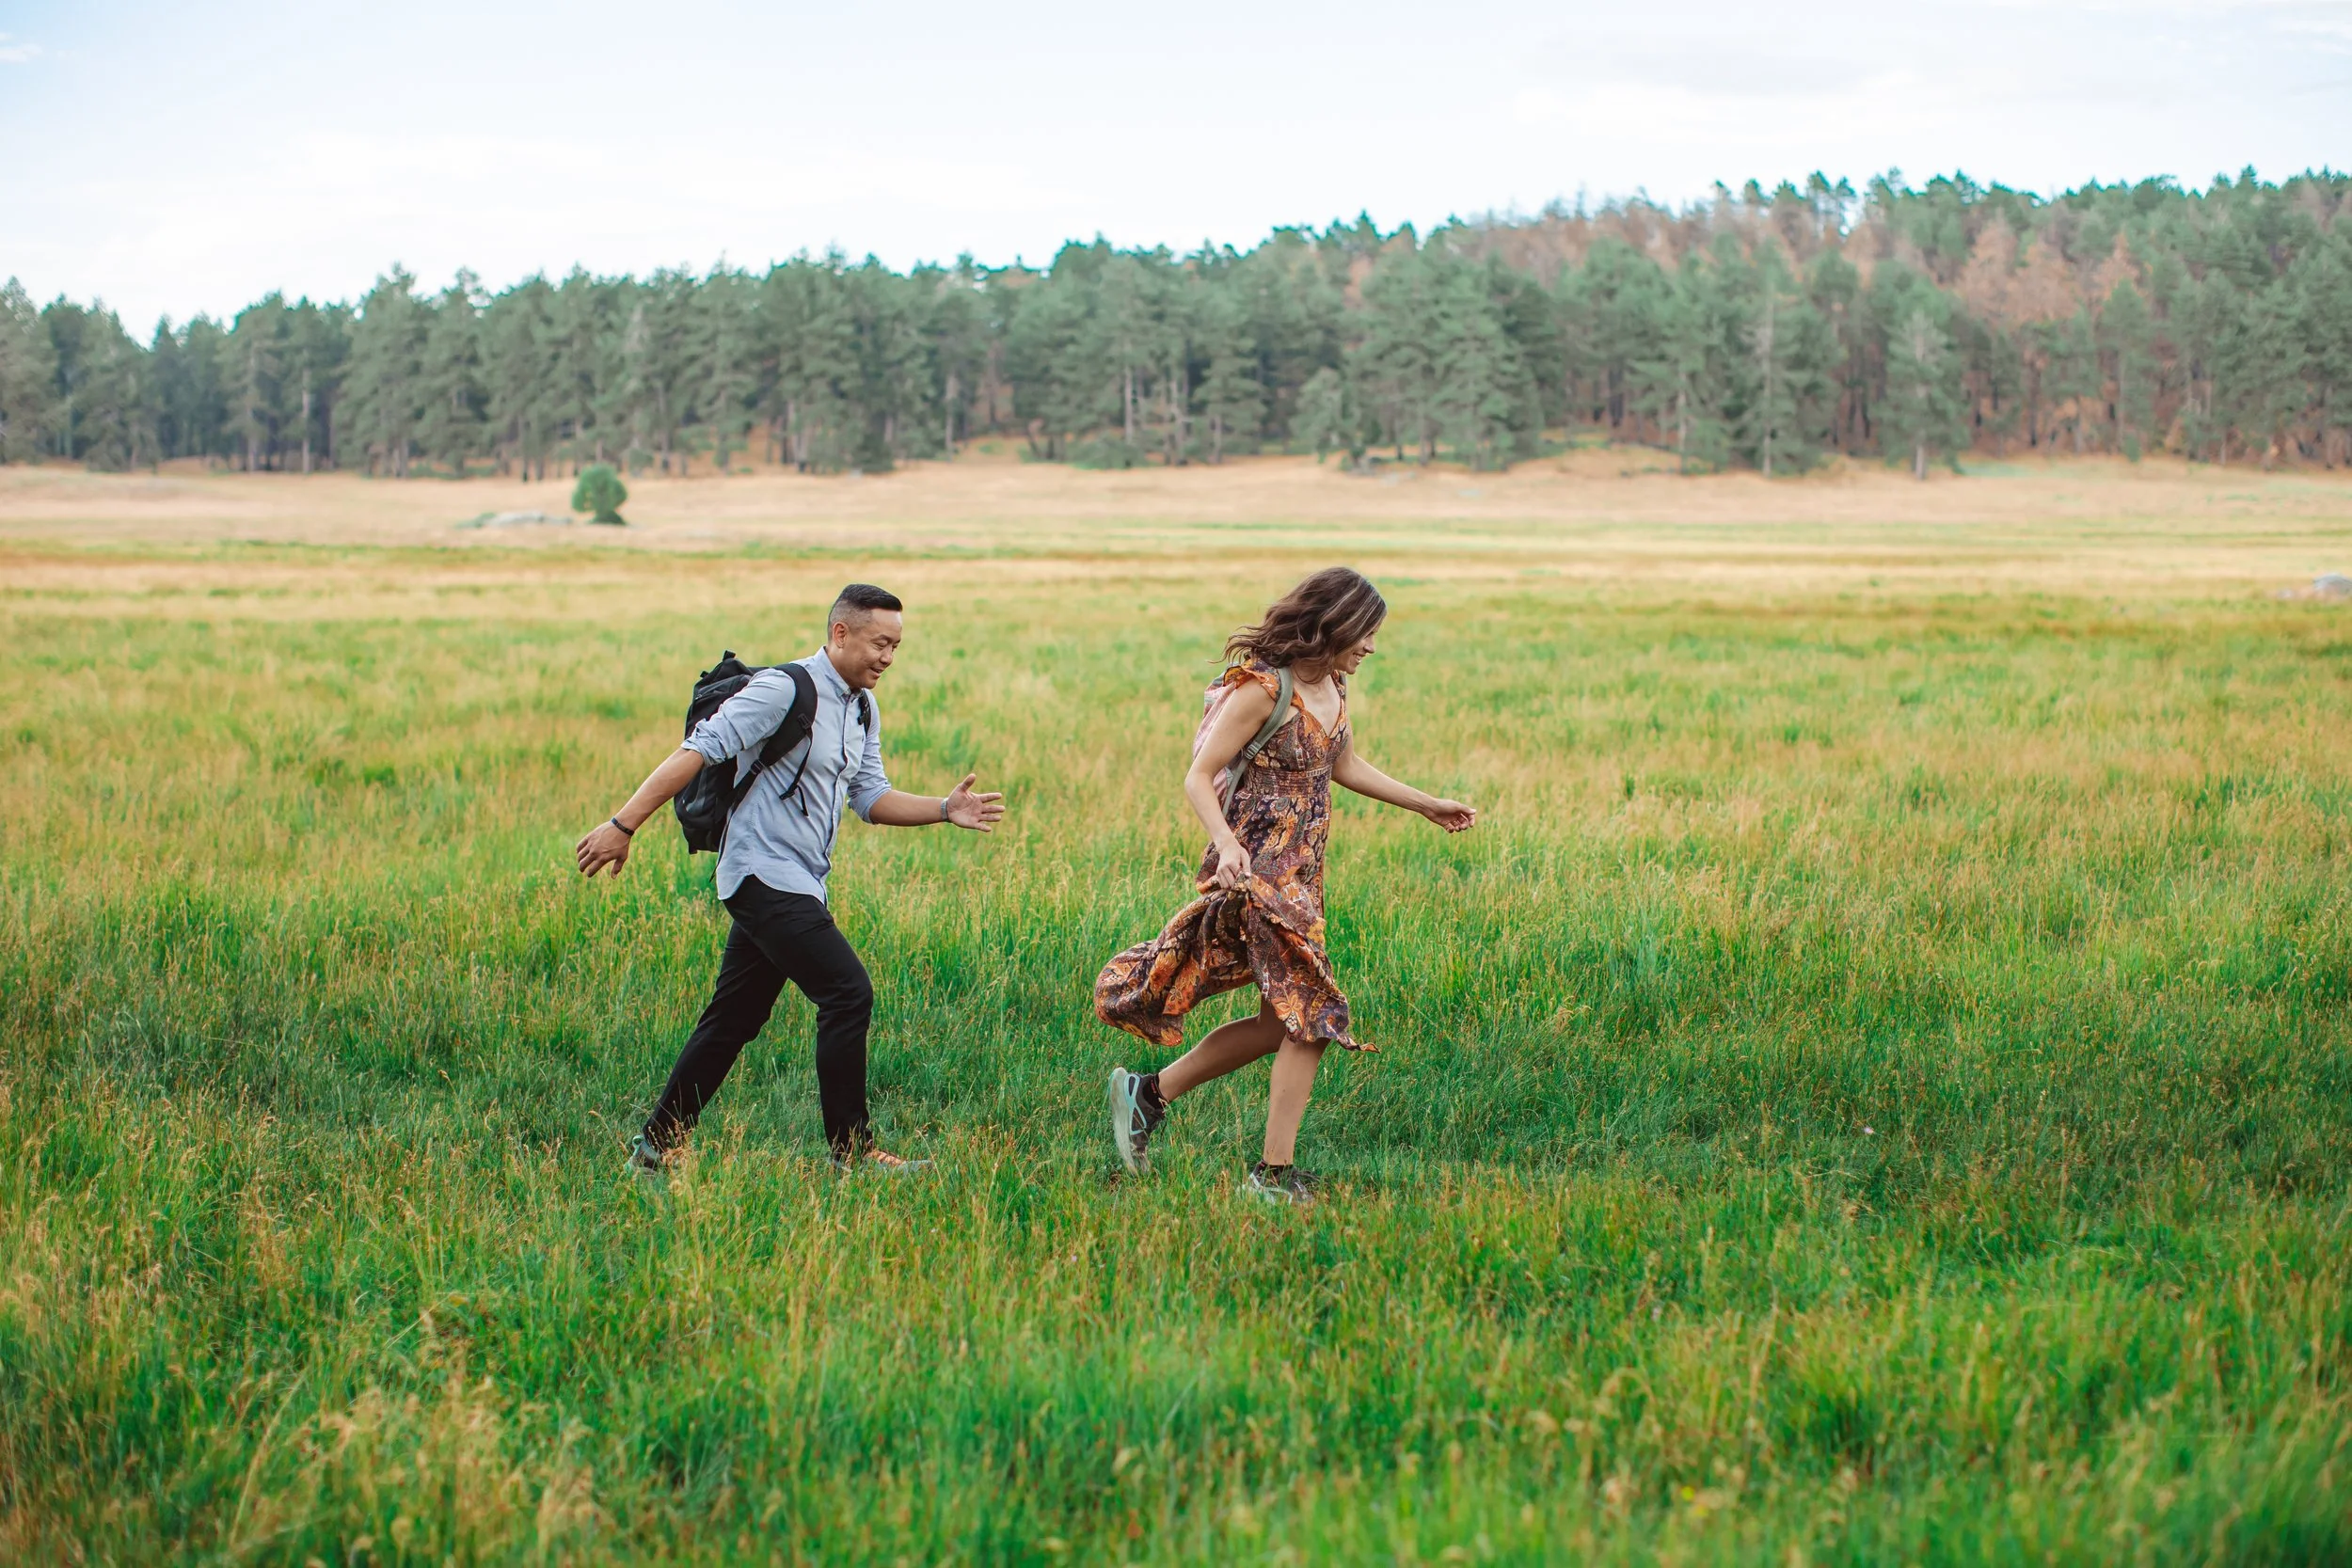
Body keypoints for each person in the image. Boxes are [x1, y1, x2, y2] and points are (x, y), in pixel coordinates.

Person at [574, 583, 1006, 1176]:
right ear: (840, 633)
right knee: (847, 991)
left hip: (802, 880)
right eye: (879, 643)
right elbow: (696, 751)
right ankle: (851, 1155)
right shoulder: (784, 689)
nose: (887, 657)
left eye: (896, 647)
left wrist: (942, 808)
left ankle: (655, 1148)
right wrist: (623, 824)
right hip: (759, 872)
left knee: (733, 1020)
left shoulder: (861, 707)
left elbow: (870, 797)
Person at [1094, 567, 1476, 1204]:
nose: (1372, 646)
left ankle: (1147, 1093)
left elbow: (1343, 763)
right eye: (1366, 632)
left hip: (1304, 875)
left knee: (1283, 1024)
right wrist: (1226, 843)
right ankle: (1271, 1175)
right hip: (1262, 874)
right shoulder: (1264, 688)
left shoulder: (1335, 688)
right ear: (1332, 623)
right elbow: (1199, 774)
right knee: (1313, 1018)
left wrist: (1424, 803)